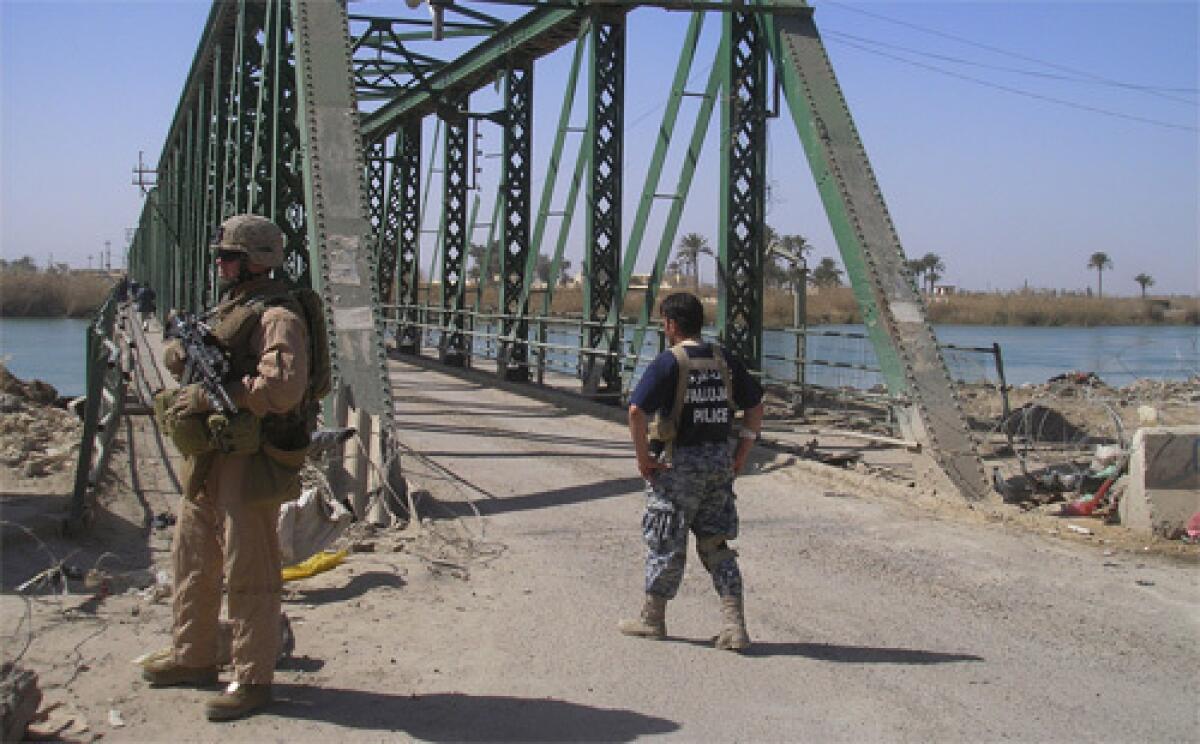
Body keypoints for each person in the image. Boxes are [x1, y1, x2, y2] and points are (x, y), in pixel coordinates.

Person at [142, 214, 314, 721]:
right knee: (191, 554)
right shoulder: (233, 307)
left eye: (229, 256)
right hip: (214, 455)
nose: (220, 262)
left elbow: (282, 388)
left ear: (256, 261)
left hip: (252, 458)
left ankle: (252, 677)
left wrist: (215, 396)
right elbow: (214, 354)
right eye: (221, 254)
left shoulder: (278, 315)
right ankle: (193, 656)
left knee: (249, 569)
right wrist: (182, 360)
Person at [619, 291, 764, 651]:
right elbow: (755, 406)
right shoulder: (723, 359)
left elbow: (637, 411)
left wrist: (642, 459)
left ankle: (653, 619)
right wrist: (742, 451)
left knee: (665, 542)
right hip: (717, 464)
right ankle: (735, 626)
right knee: (717, 544)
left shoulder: (670, 362)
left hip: (677, 466)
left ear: (670, 324)